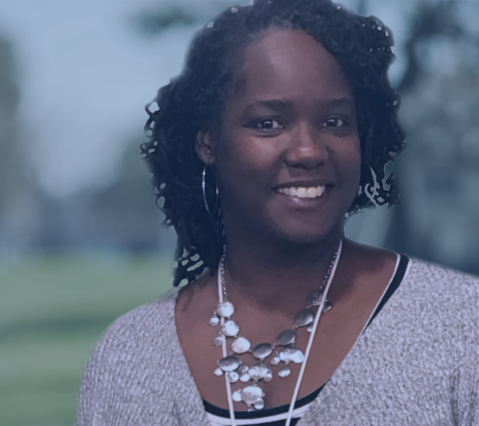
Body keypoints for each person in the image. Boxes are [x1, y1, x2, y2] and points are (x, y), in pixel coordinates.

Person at [76, 1, 479, 425]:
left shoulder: (460, 328)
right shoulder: (128, 357)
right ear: (209, 142)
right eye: (268, 123)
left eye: (336, 121)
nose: (309, 151)